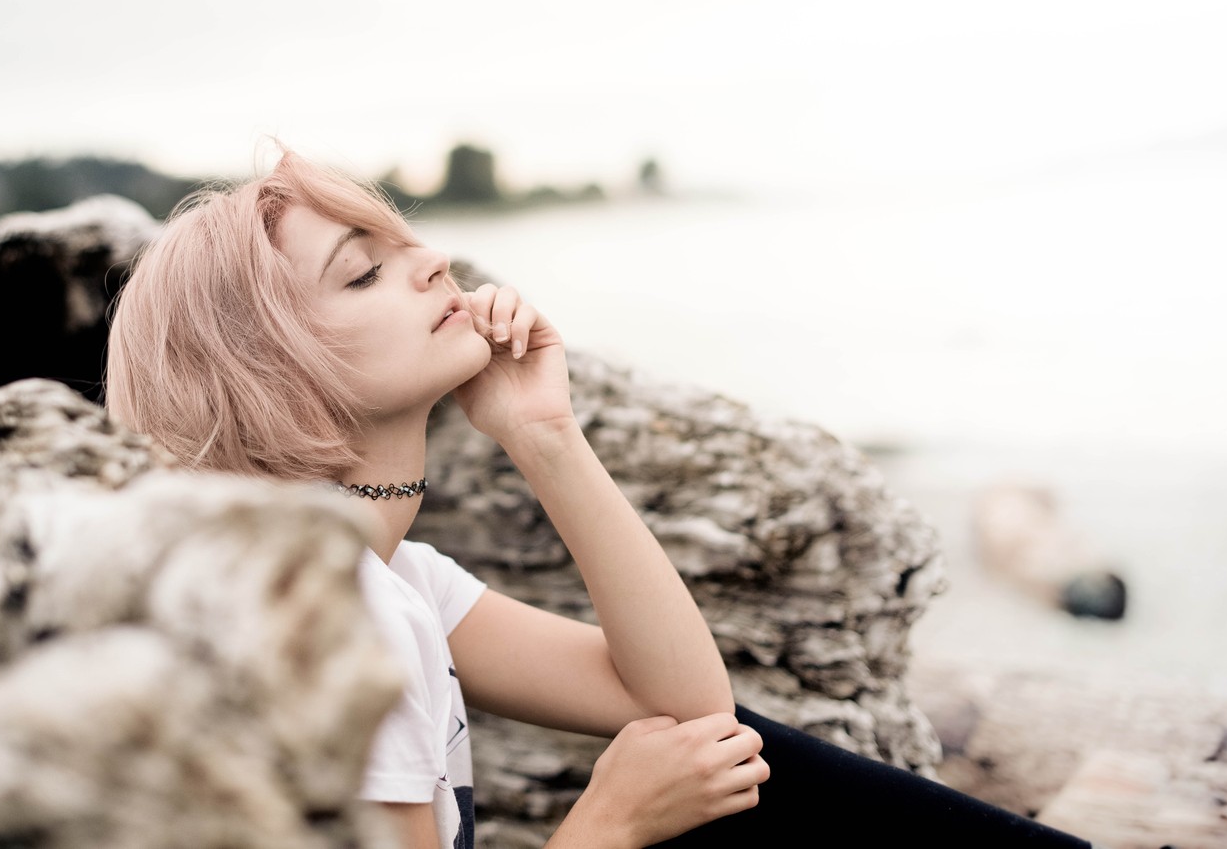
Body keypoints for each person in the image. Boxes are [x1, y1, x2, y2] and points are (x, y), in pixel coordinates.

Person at [103, 150, 1095, 849]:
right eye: (363, 272)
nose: (433, 262)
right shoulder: (325, 617)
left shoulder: (381, 574)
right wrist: (607, 825)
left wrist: (544, 435)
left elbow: (680, 703)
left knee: (731, 772)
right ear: (267, 379)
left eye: (400, 241)